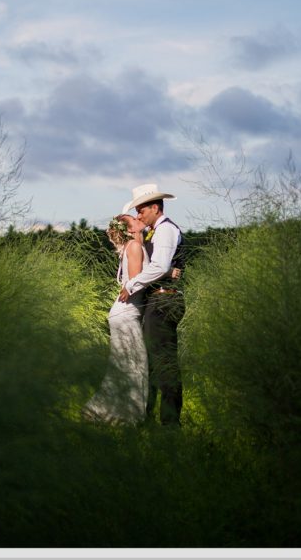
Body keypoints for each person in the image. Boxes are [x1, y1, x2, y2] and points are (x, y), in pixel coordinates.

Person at [118, 183, 185, 427]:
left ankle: (170, 424)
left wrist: (131, 285)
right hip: (157, 298)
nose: (139, 215)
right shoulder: (153, 231)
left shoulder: (166, 230)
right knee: (152, 363)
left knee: (164, 362)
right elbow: (160, 266)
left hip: (165, 299)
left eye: (142, 210)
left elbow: (157, 266)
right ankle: (148, 418)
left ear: (155, 207)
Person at [81, 214, 150, 425]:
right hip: (127, 313)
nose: (141, 220)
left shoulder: (132, 246)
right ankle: (125, 416)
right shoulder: (135, 247)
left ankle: (109, 410)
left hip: (123, 312)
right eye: (135, 220)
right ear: (130, 229)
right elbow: (137, 281)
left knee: (124, 364)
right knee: (135, 365)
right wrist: (166, 274)